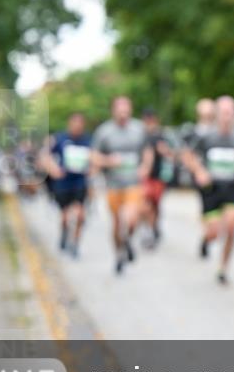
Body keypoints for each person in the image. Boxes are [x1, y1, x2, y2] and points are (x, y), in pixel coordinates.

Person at [181, 96, 234, 286]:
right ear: (216, 114)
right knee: (214, 233)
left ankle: (223, 269)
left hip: (233, 187)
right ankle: (205, 239)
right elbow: (187, 155)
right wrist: (199, 171)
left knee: (232, 227)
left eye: (230, 112)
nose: (227, 116)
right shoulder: (206, 135)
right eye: (223, 112)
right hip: (211, 189)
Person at [91, 96, 153, 275]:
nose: (123, 114)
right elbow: (93, 156)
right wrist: (108, 160)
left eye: (126, 110)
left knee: (130, 219)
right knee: (117, 224)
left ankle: (127, 240)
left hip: (133, 183)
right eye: (120, 111)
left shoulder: (139, 128)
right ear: (113, 111)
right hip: (113, 185)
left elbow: (147, 151)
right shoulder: (104, 131)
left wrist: (145, 167)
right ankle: (119, 252)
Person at [40, 112, 92, 258]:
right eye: (75, 122)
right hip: (63, 184)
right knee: (65, 216)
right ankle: (64, 232)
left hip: (79, 182)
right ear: (69, 123)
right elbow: (45, 155)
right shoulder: (59, 139)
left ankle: (75, 244)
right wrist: (53, 169)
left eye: (80, 123)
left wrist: (92, 169)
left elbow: (95, 157)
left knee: (80, 215)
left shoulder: (87, 140)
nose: (77, 126)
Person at [183, 98, 217, 258]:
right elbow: (187, 154)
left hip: (221, 176)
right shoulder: (194, 132)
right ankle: (207, 236)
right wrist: (198, 171)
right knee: (208, 210)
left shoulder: (220, 129)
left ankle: (210, 235)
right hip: (203, 176)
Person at [140, 108, 175, 249]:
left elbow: (168, 153)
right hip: (145, 177)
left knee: (154, 205)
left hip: (157, 176)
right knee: (146, 204)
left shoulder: (159, 136)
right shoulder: (141, 135)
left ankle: (153, 227)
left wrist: (164, 151)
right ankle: (148, 229)